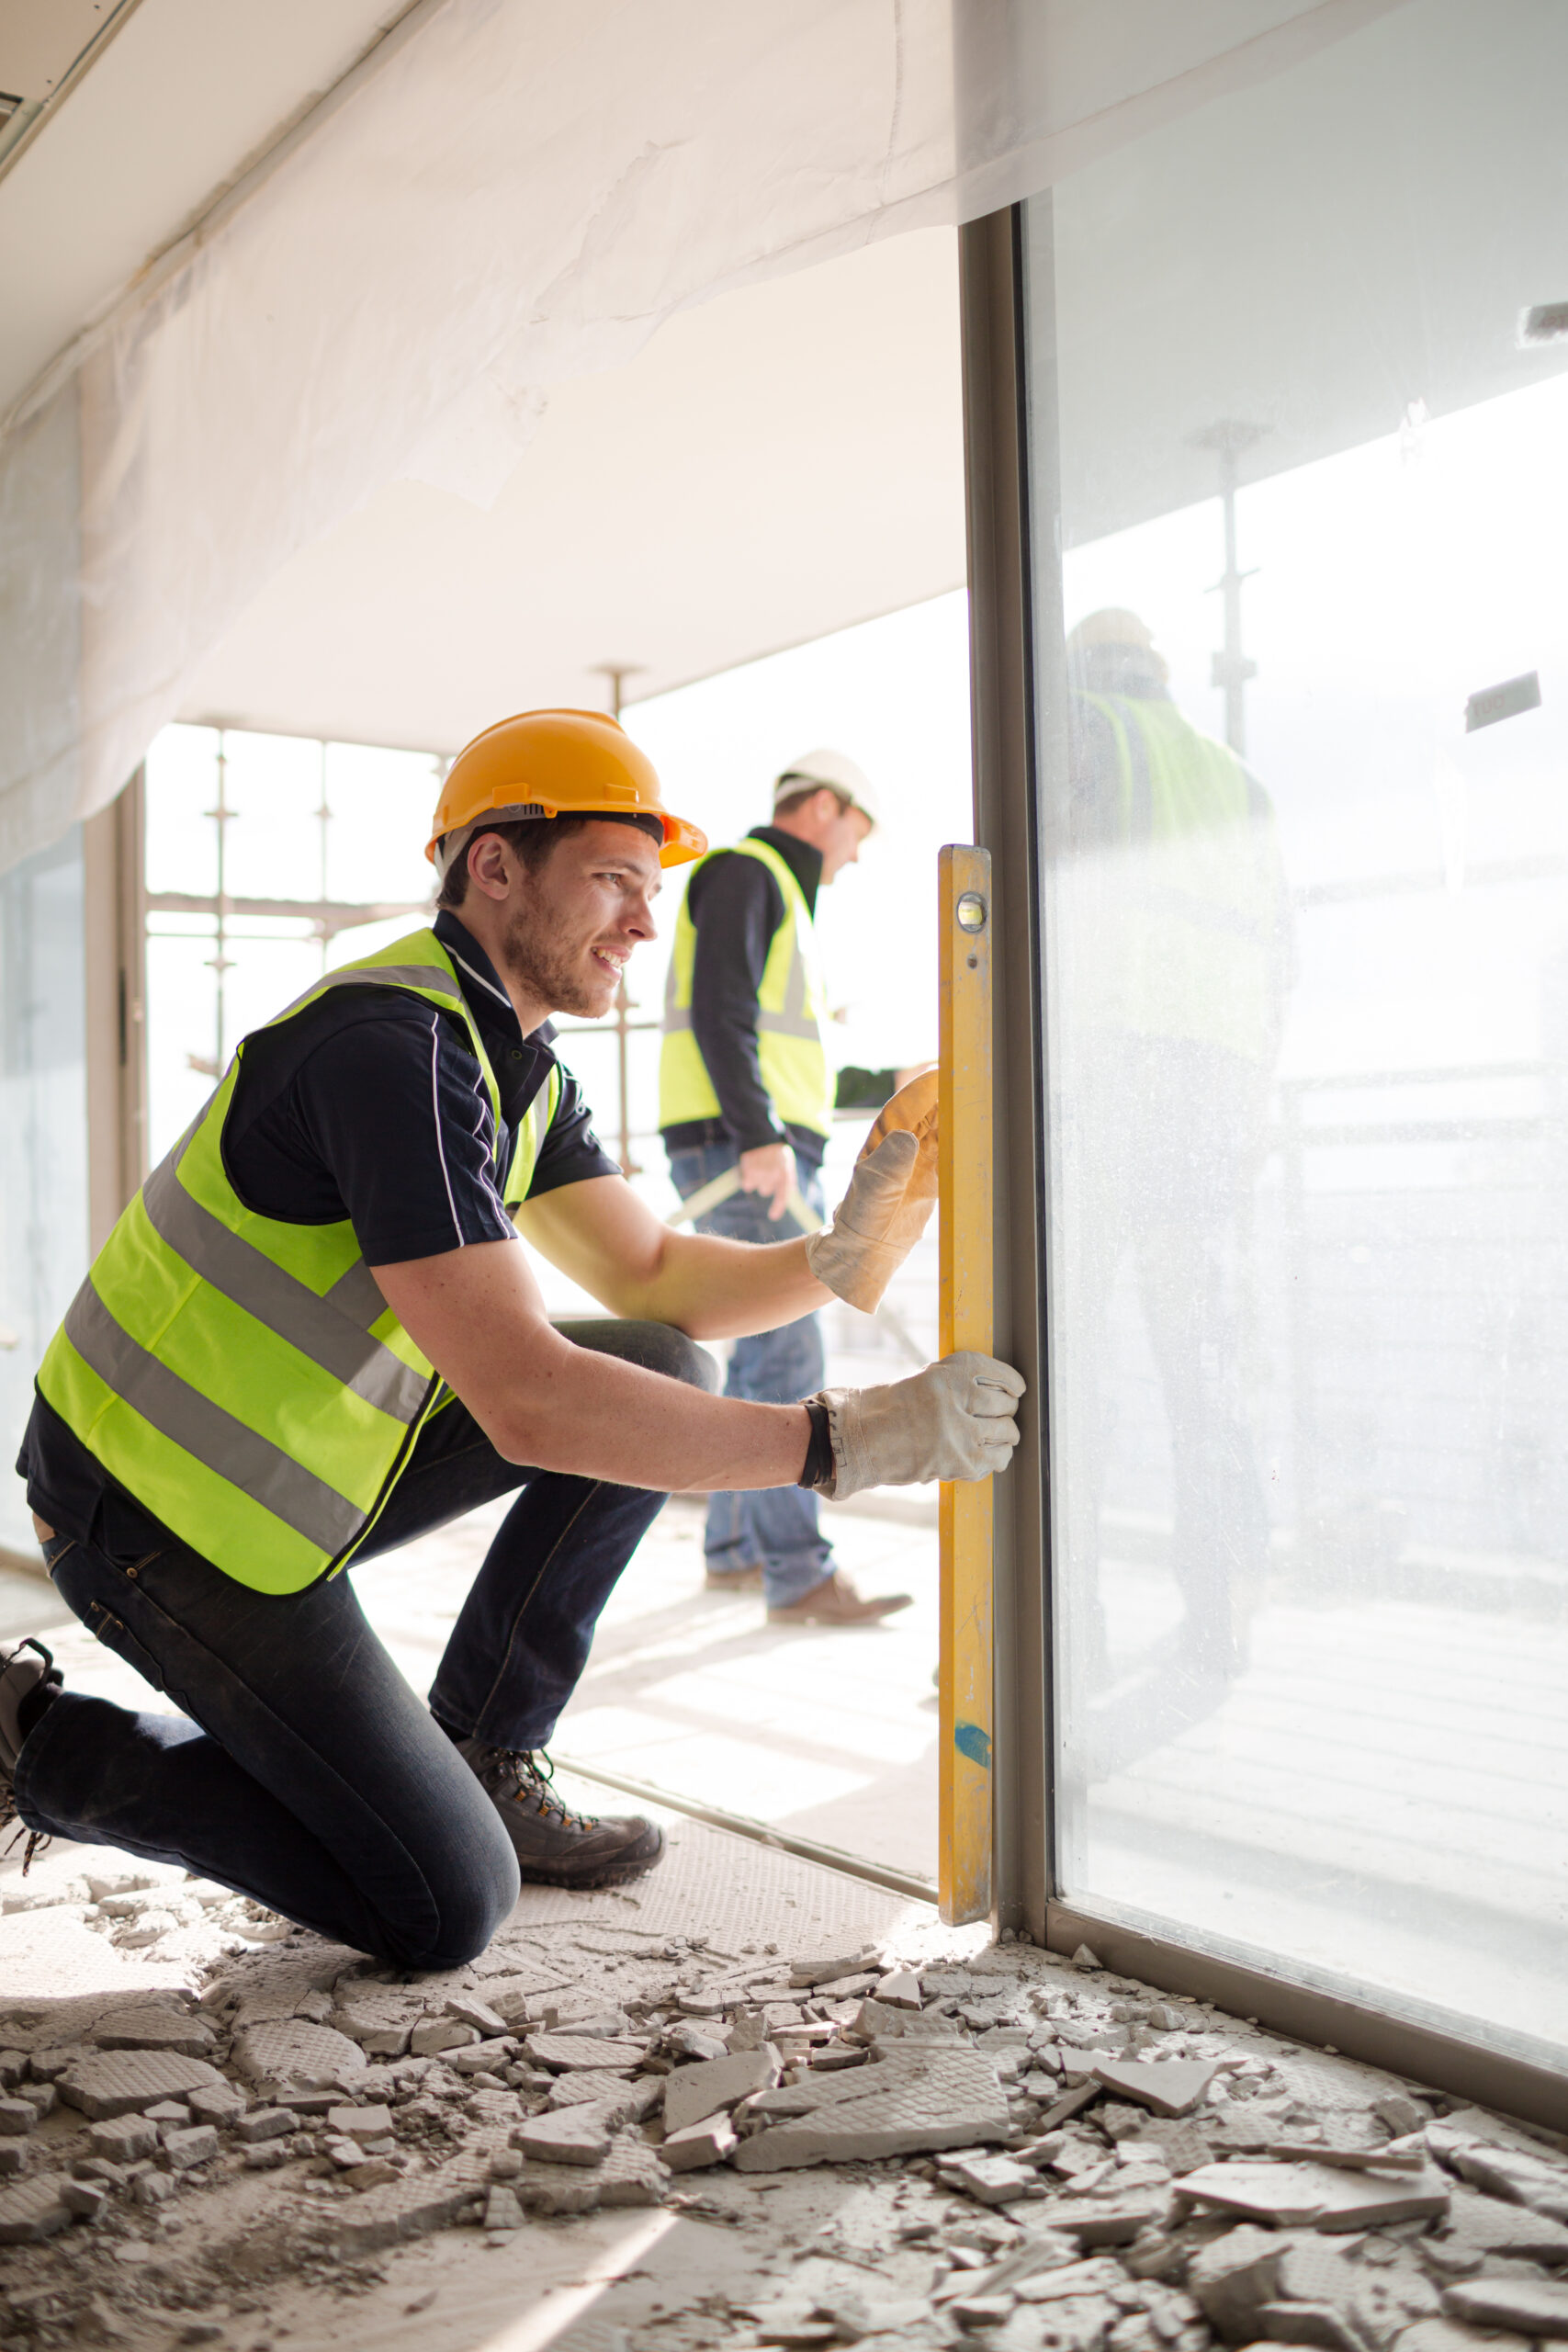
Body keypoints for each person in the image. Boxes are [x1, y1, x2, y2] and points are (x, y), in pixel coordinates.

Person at [1, 710, 1022, 1973]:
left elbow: (656, 1280)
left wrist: (833, 1258)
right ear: (494, 866)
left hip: (281, 1479)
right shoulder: (394, 1049)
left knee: (658, 1364)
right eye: (612, 882)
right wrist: (842, 1442)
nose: (643, 925)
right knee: (438, 1905)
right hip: (146, 1516)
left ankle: (487, 1749)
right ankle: (42, 1744)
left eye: (648, 893)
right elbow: (531, 1403)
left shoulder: (514, 1063)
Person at [1059, 612, 1290, 1751]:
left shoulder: (1082, 730)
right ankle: (1219, 1620)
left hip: (1107, 1076)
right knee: (1204, 1363)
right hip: (1212, 1094)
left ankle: (1070, 1630)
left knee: (1070, 1367)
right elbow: (1280, 957)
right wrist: (1253, 1097)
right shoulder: (1235, 778)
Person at [660, 750, 909, 1626]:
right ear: (822, 809)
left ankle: (736, 1553)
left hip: (755, 1147)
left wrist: (889, 1079)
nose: (856, 856)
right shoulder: (744, 873)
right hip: (745, 1152)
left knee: (758, 1355)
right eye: (857, 833)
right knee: (788, 1356)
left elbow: (787, 1056)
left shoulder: (776, 897)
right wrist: (759, 1136)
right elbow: (724, 1010)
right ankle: (797, 1574)